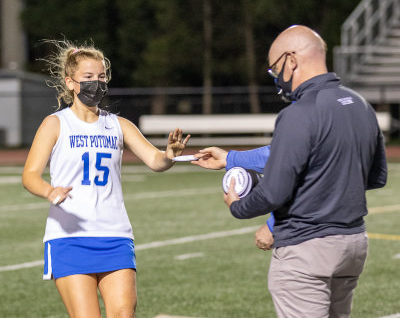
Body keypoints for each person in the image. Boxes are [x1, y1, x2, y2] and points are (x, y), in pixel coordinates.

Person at [193, 25, 387, 318]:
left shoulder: (298, 113)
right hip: (353, 245)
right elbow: (376, 177)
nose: (276, 78)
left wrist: (237, 206)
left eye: (275, 69)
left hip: (306, 248)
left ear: (291, 60)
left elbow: (274, 192)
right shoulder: (360, 104)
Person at [22, 40, 190, 318]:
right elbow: (29, 175)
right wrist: (50, 191)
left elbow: (155, 161)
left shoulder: (119, 125)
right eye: (88, 78)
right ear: (71, 82)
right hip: (69, 237)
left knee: (124, 313)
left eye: (101, 77)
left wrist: (169, 154)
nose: (96, 83)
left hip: (115, 235)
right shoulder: (56, 123)